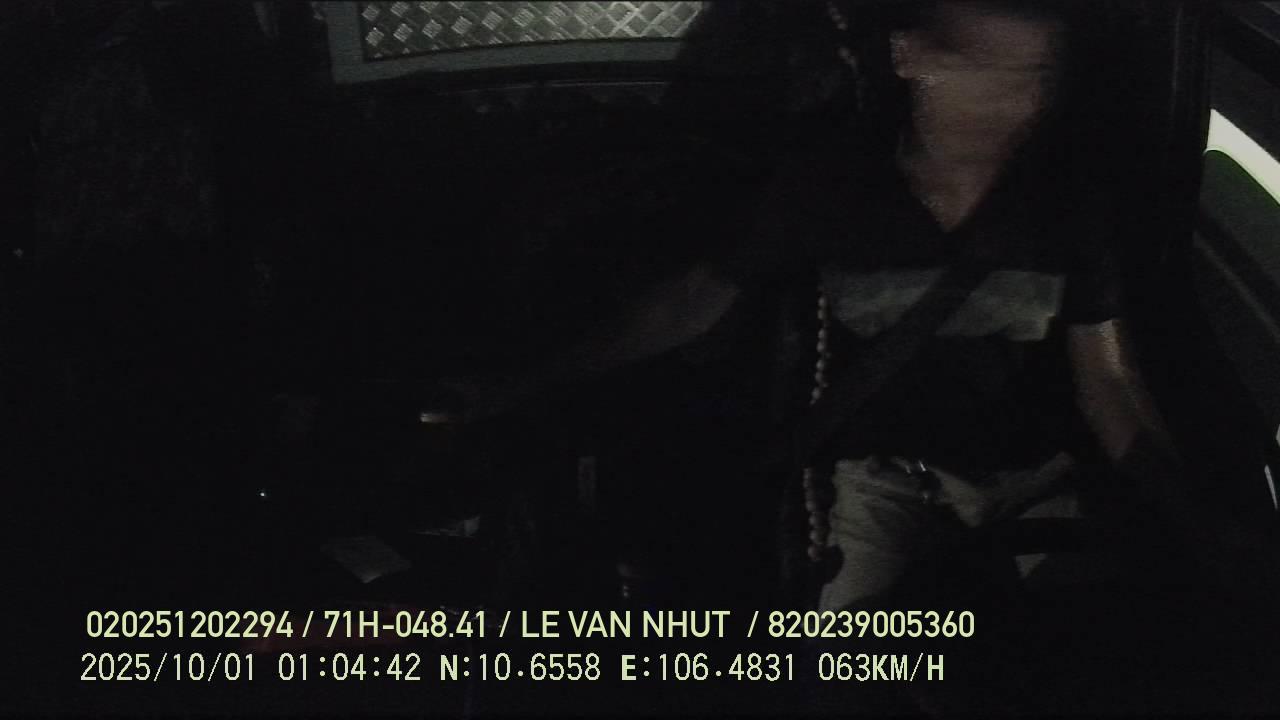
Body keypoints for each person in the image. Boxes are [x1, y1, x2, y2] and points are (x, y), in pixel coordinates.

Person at [452, 0, 1231, 609]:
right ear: (909, 56)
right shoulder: (832, 189)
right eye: (985, 68)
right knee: (837, 670)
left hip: (1029, 478)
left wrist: (1207, 530)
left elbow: (1109, 386)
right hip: (880, 484)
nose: (1018, 98)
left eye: (1036, 75)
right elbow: (688, 304)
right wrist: (516, 386)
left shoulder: (1064, 207)